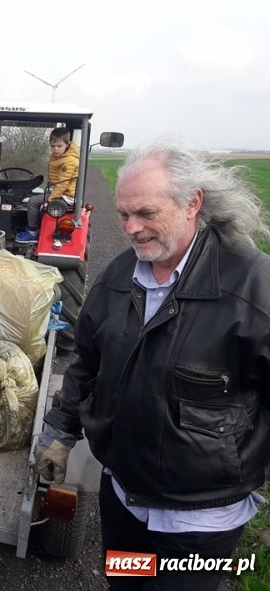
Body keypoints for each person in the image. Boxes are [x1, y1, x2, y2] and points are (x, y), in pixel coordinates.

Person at [34, 140, 270, 590]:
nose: (133, 228)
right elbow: (87, 361)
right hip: (123, 498)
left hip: (199, 524)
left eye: (146, 213)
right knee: (123, 583)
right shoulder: (120, 276)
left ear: (192, 203)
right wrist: (60, 432)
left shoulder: (255, 291)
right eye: (123, 216)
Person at [15, 127, 80, 243]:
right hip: (61, 192)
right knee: (38, 198)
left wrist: (49, 200)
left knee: (33, 202)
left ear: (67, 144)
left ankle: (32, 232)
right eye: (53, 146)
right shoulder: (59, 157)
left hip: (66, 195)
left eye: (59, 146)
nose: (55, 149)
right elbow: (56, 180)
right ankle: (37, 228)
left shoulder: (69, 161)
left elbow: (62, 184)